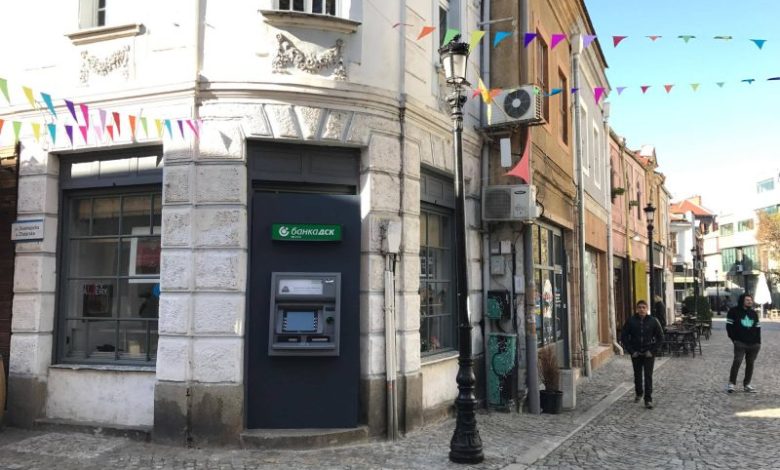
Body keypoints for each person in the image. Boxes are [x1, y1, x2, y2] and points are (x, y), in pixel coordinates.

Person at [621, 300, 665, 409]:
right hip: (636, 353)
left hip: (648, 353)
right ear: (637, 309)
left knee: (648, 376)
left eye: (644, 307)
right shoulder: (631, 321)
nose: (641, 309)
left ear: (647, 309)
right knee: (637, 375)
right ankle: (639, 393)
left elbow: (660, 338)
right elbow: (624, 337)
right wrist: (631, 351)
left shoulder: (653, 321)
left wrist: (652, 351)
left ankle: (648, 399)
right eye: (639, 307)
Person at [726, 293, 761, 393]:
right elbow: (729, 327)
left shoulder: (754, 313)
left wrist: (758, 342)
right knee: (737, 361)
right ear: (742, 301)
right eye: (747, 300)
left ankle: (747, 384)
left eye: (751, 300)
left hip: (754, 344)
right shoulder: (733, 311)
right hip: (740, 343)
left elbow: (758, 328)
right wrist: (734, 340)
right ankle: (731, 384)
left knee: (750, 364)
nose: (750, 302)